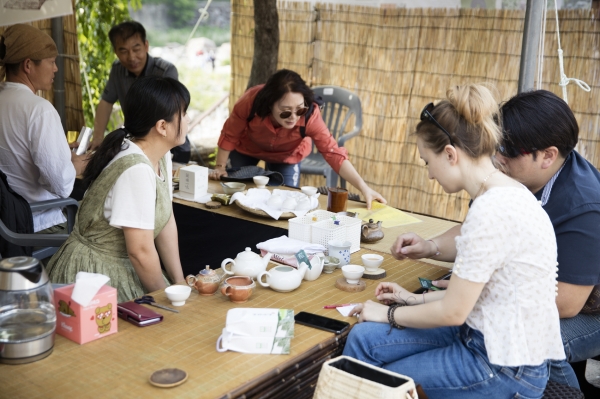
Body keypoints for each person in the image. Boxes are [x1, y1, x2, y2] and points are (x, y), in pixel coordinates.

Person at [342, 84, 565, 399]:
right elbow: (479, 298)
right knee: (365, 341)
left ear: (450, 154)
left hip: (504, 366)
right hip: (483, 337)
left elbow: (453, 312)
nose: (430, 175)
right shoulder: (507, 193)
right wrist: (411, 299)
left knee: (382, 385)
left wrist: (388, 313)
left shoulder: (492, 210)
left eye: (427, 162)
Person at [408, 90, 600, 391]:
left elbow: (566, 303)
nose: (497, 157)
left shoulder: (584, 205)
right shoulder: (508, 179)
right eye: (496, 144)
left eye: (509, 150)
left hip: (591, 312)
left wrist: (478, 293)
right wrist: (429, 247)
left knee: (528, 338)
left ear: (547, 155)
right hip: (535, 292)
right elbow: (474, 229)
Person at [47, 76, 187, 303]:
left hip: (123, 266)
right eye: (184, 113)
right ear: (162, 127)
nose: (188, 119)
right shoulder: (135, 169)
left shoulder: (161, 155)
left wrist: (178, 283)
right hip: (96, 274)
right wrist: (166, 298)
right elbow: (140, 251)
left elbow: (165, 219)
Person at [209, 69, 385, 209]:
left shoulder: (310, 115)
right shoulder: (250, 102)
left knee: (286, 201)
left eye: (299, 110)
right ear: (270, 104)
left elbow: (334, 154)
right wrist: (220, 167)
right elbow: (230, 134)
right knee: (238, 193)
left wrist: (364, 188)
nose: (293, 117)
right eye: (285, 111)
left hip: (287, 155)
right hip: (247, 148)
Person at [0, 24, 87, 233]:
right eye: (51, 62)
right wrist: (76, 164)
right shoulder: (39, 110)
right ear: (28, 65)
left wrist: (61, 151)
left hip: (6, 221)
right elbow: (62, 185)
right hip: (39, 223)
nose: (56, 68)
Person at [89, 21, 190, 163]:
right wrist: (98, 137)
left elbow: (174, 111)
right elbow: (106, 102)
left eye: (136, 49)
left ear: (146, 45)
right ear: (115, 52)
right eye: (123, 51)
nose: (131, 57)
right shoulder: (117, 69)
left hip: (169, 141)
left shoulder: (165, 71)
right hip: (137, 142)